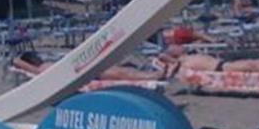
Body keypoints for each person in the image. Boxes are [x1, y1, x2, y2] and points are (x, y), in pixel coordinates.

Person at [13, 51, 167, 81]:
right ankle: (153, 75)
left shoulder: (43, 66)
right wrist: (18, 60)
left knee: (121, 70)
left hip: (81, 70)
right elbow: (16, 62)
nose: (38, 56)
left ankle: (152, 74)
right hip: (82, 73)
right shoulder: (39, 69)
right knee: (121, 73)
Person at [156, 45, 259, 76]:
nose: (179, 46)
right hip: (222, 68)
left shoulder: (188, 56)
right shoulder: (181, 63)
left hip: (223, 64)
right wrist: (167, 58)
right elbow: (161, 56)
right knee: (253, 65)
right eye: (175, 47)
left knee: (255, 63)